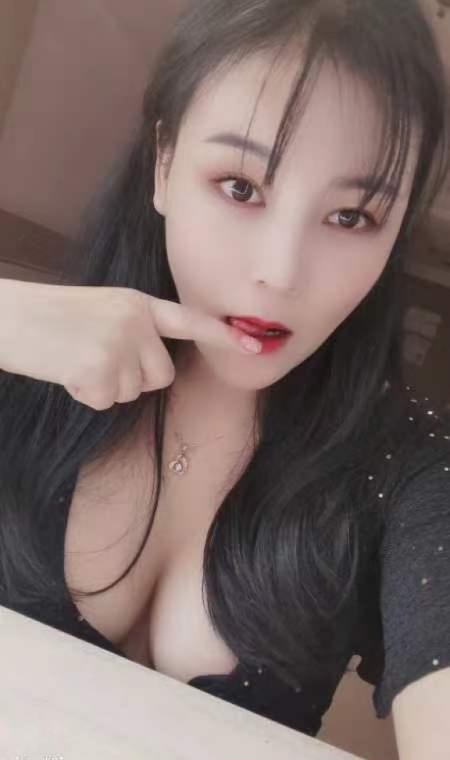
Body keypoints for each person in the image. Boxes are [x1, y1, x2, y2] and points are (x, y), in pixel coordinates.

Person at [0, 0, 449, 748]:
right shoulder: (26, 364)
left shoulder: (407, 472)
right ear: (164, 165)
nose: (280, 272)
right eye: (240, 187)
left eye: (352, 217)